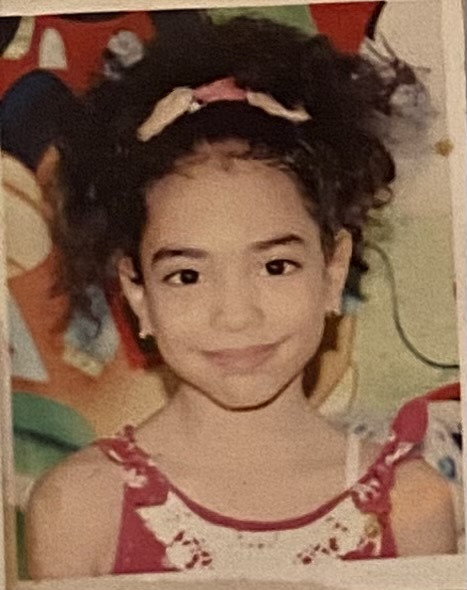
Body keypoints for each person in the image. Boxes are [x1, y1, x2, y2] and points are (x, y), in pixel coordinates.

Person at [25, 15, 457, 580]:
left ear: (332, 272)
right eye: (187, 276)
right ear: (138, 293)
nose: (235, 315)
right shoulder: (81, 508)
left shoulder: (412, 504)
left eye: (275, 266)